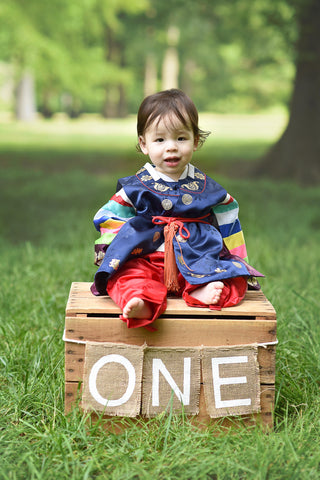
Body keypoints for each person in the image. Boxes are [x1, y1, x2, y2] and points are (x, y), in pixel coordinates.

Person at [91, 89, 262, 330]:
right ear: (143, 144)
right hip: (147, 257)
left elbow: (228, 218)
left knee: (229, 278)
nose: (171, 147)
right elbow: (108, 216)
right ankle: (142, 301)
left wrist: (237, 257)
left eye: (181, 138)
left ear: (196, 141)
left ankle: (200, 289)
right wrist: (116, 249)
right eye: (160, 140)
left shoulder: (208, 188)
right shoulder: (135, 187)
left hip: (195, 255)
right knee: (126, 277)